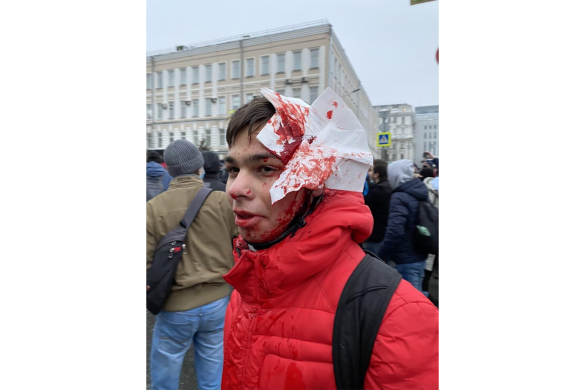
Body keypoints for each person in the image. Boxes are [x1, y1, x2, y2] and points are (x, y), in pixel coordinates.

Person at [221, 89, 439, 389]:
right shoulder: (246, 289)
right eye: (233, 170)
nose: (236, 188)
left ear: (316, 181)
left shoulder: (399, 315)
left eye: (266, 168)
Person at [146, 140, 239, 390]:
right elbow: (242, 245)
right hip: (218, 303)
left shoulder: (153, 209)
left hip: (175, 306)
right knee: (213, 374)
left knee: (165, 376)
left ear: (170, 170)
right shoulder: (222, 201)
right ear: (199, 167)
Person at [379, 160, 430, 293]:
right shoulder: (420, 190)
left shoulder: (399, 196)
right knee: (419, 295)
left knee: (411, 302)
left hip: (405, 258)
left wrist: (382, 254)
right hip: (420, 255)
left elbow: (395, 230)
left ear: (396, 175)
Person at [363, 160, 392, 257]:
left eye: (371, 170)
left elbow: (363, 203)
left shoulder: (377, 191)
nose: (369, 173)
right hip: (384, 231)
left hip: (375, 233)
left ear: (376, 174)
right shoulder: (388, 187)